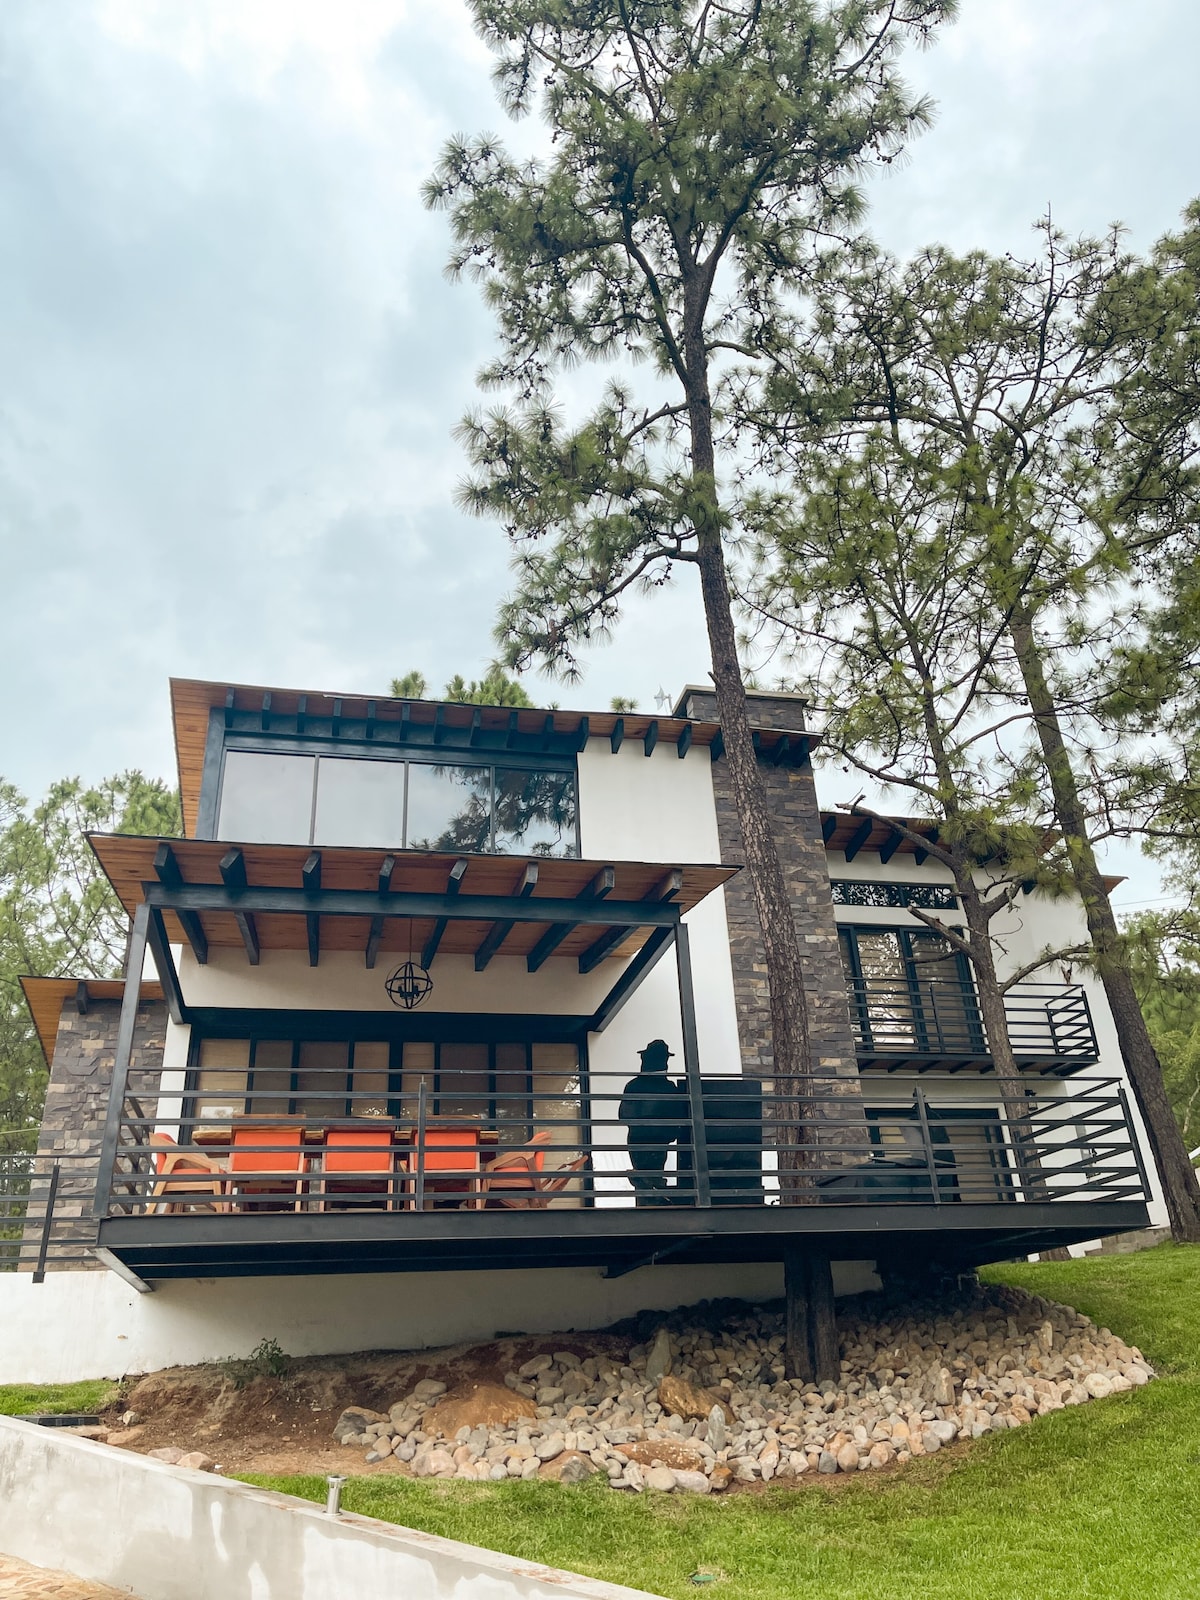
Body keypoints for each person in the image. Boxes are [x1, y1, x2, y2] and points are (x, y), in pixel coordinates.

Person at [618, 1039, 688, 1204]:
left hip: (641, 1139)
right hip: (655, 1140)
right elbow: (679, 1118)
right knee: (651, 1175)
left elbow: (624, 1115)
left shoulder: (634, 1085)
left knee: (646, 1176)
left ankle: (650, 1198)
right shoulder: (669, 1089)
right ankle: (652, 1197)